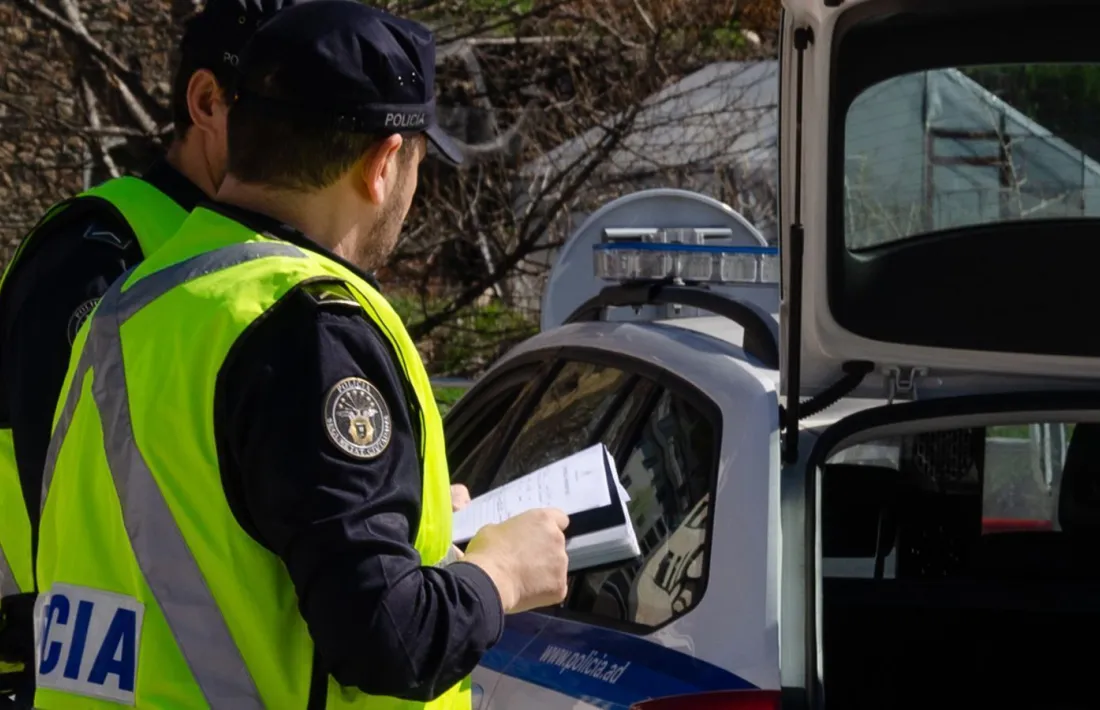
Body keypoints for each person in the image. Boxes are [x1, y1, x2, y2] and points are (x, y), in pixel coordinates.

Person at [32, 1, 570, 708]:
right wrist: (501, 573)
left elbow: (206, 540)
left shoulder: (135, 303)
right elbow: (389, 640)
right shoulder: (308, 324)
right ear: (382, 165)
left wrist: (401, 518)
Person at [0, 1, 316, 703]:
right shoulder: (98, 256)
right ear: (207, 102)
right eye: (296, 112)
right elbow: (76, 494)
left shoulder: (256, 258)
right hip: (52, 661)